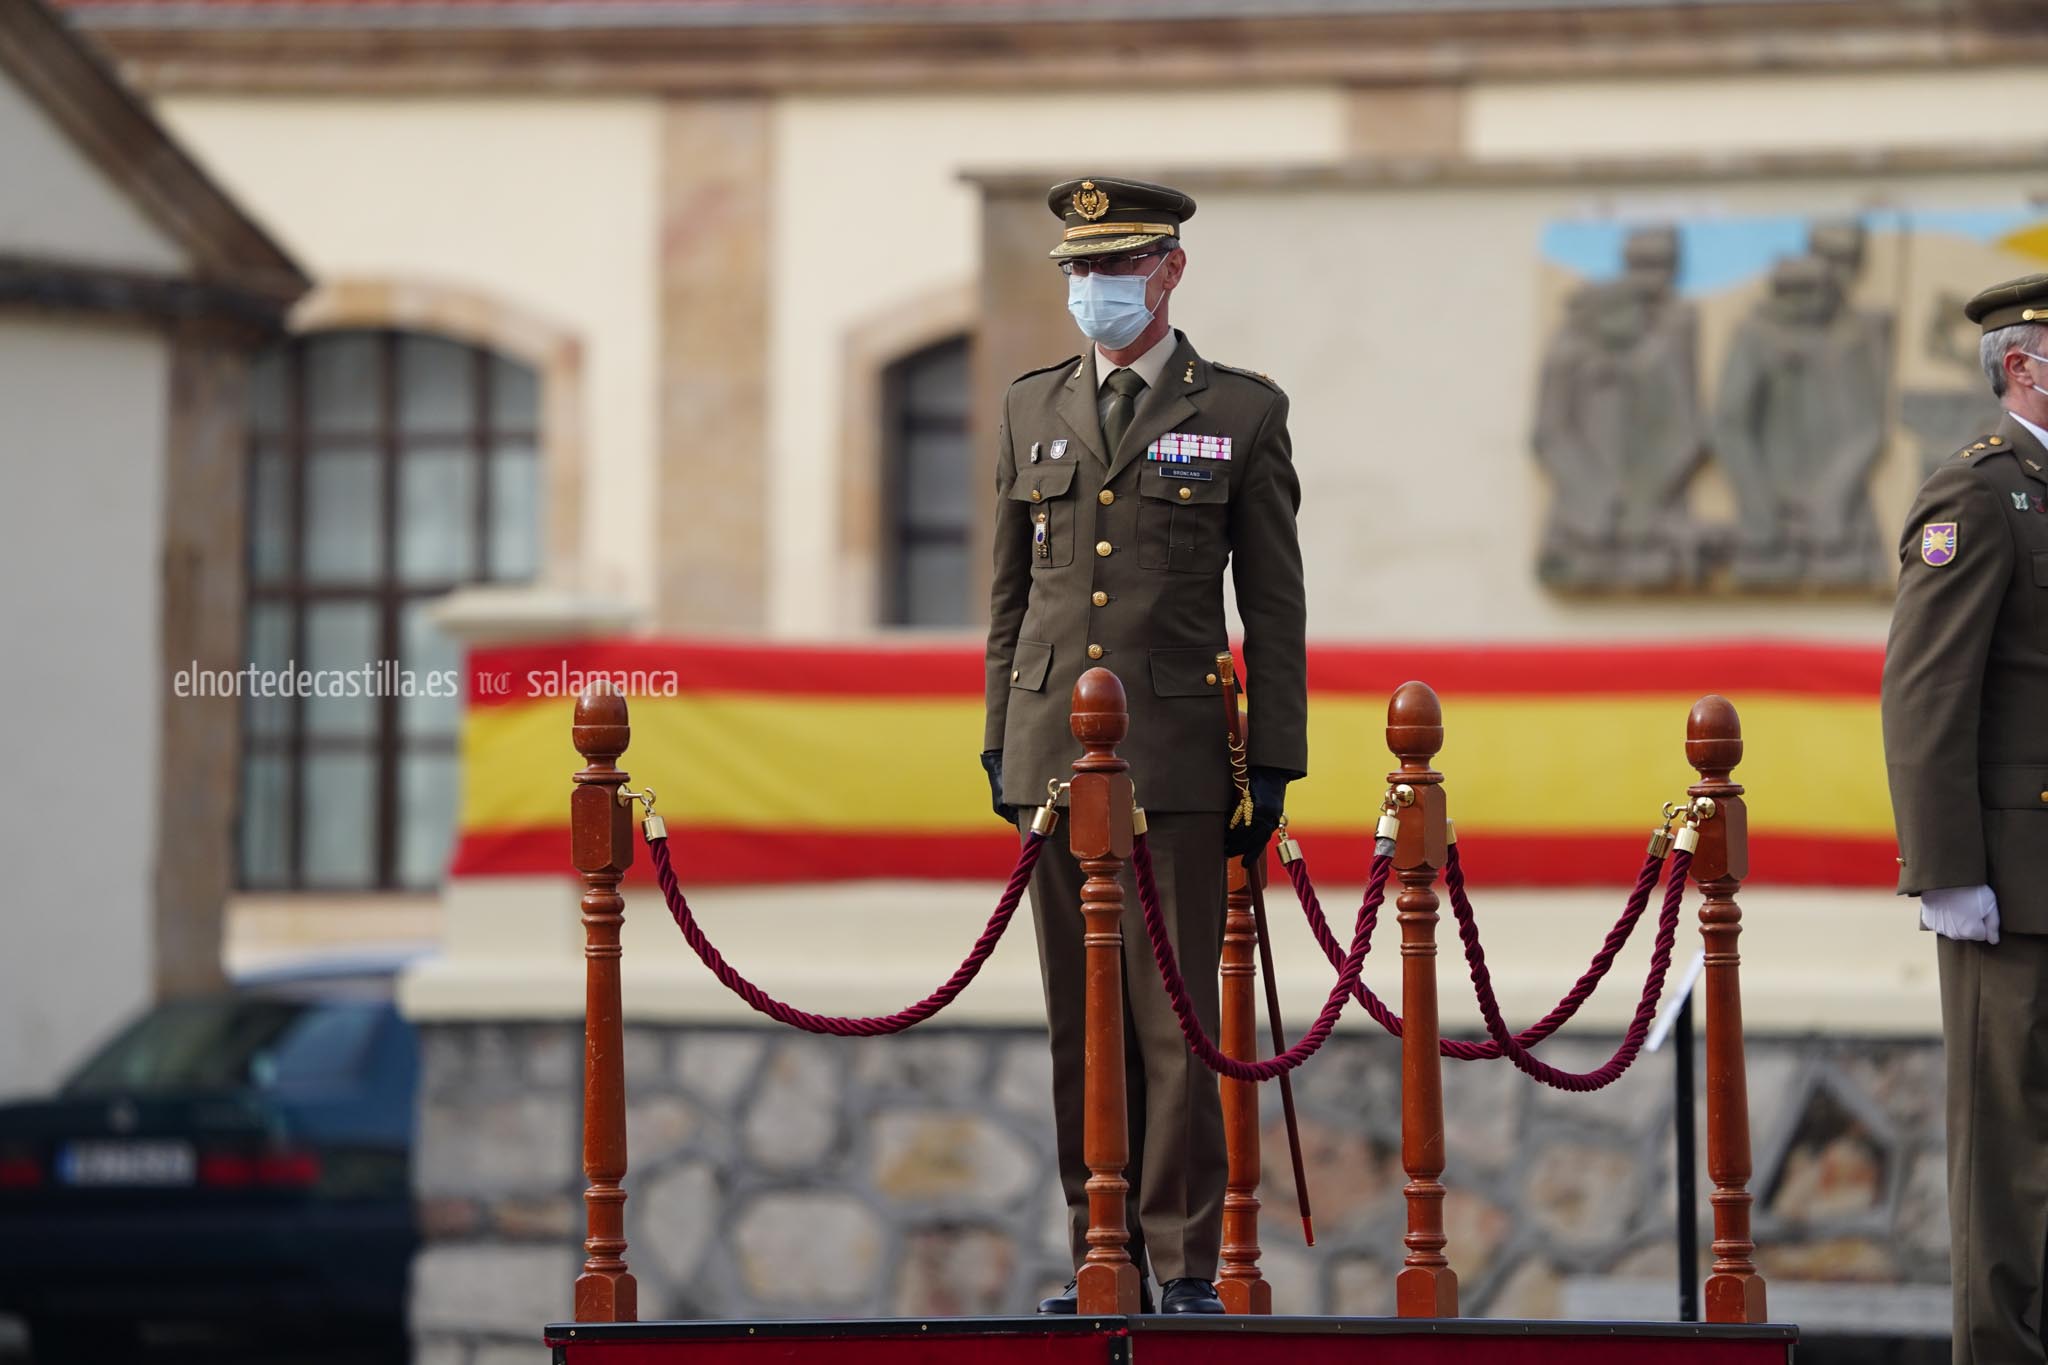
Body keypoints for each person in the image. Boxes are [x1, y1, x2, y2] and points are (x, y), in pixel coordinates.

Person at [979, 176, 1307, 1317]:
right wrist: (1000, 737)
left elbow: (1274, 606)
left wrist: (1273, 760)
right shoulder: (1030, 406)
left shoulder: (1240, 411)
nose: (1093, 289)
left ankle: (1179, 1263)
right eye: (1078, 269)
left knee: (1172, 1021)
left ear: (1168, 271)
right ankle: (1099, 1252)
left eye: (1114, 267)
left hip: (1173, 752)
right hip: (1050, 758)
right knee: (1081, 1020)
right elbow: (1011, 596)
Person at [1881, 271, 2048, 1364]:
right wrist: (1946, 869)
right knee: (2007, 1158)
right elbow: (1926, 690)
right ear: (2022, 367)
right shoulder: (1979, 495)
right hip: (2015, 880)